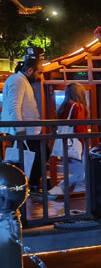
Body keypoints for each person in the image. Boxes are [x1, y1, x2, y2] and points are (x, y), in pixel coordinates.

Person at [0, 54, 45, 189]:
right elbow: (15, 106)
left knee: (32, 157)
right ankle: (30, 185)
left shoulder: (18, 80)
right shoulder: (18, 81)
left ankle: (27, 185)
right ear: (30, 70)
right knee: (37, 156)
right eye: (39, 72)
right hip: (24, 130)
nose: (39, 76)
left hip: (25, 129)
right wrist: (20, 130)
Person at [48, 83, 89, 197]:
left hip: (65, 143)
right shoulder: (77, 107)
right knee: (84, 173)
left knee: (81, 173)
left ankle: (70, 192)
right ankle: (61, 189)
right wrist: (84, 143)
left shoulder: (63, 106)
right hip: (77, 144)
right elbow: (79, 128)